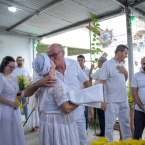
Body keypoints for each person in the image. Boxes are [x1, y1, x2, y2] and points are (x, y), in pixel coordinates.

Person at [25, 43, 94, 145]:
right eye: (49, 56)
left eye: (54, 55)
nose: (52, 58)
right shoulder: (46, 70)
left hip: (77, 112)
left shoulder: (74, 64)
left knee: (81, 140)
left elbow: (86, 82)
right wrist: (39, 84)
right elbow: (28, 92)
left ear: (63, 53)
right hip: (58, 119)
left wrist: (90, 106)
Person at [99, 45, 132, 142]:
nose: (126, 56)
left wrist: (126, 73)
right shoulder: (107, 64)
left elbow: (123, 81)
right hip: (111, 101)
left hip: (123, 100)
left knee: (126, 123)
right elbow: (101, 83)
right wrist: (103, 101)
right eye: (125, 53)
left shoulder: (123, 64)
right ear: (119, 53)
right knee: (109, 126)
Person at [0, 56, 25, 145]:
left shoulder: (14, 77)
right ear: (4, 65)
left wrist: (21, 93)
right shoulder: (1, 77)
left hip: (15, 108)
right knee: (7, 132)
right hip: (5, 109)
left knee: (16, 130)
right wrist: (11, 103)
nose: (12, 69)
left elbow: (15, 91)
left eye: (14, 67)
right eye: (10, 67)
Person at [91, 56, 107, 137]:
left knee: (101, 116)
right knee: (106, 116)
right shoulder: (107, 70)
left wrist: (91, 69)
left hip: (100, 96)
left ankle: (103, 133)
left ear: (100, 62)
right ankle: (105, 133)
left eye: (98, 62)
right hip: (107, 96)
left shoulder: (100, 70)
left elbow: (92, 76)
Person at [13, 56, 32, 120]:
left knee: (25, 105)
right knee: (16, 105)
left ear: (23, 61)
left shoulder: (26, 69)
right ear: (16, 62)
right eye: (18, 60)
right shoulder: (14, 69)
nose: (20, 61)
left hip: (24, 90)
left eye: (21, 60)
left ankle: (27, 119)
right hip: (15, 90)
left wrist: (24, 79)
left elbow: (30, 77)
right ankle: (17, 119)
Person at [131, 56, 145, 139]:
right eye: (144, 63)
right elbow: (134, 93)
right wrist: (143, 108)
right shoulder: (136, 76)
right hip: (140, 110)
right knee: (137, 135)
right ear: (141, 64)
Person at [77, 54, 91, 132]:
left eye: (81, 60)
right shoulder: (75, 70)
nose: (80, 61)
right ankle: (78, 129)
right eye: (78, 60)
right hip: (77, 93)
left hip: (85, 93)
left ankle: (85, 129)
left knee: (85, 112)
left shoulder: (88, 70)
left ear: (84, 61)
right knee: (77, 112)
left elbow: (89, 80)